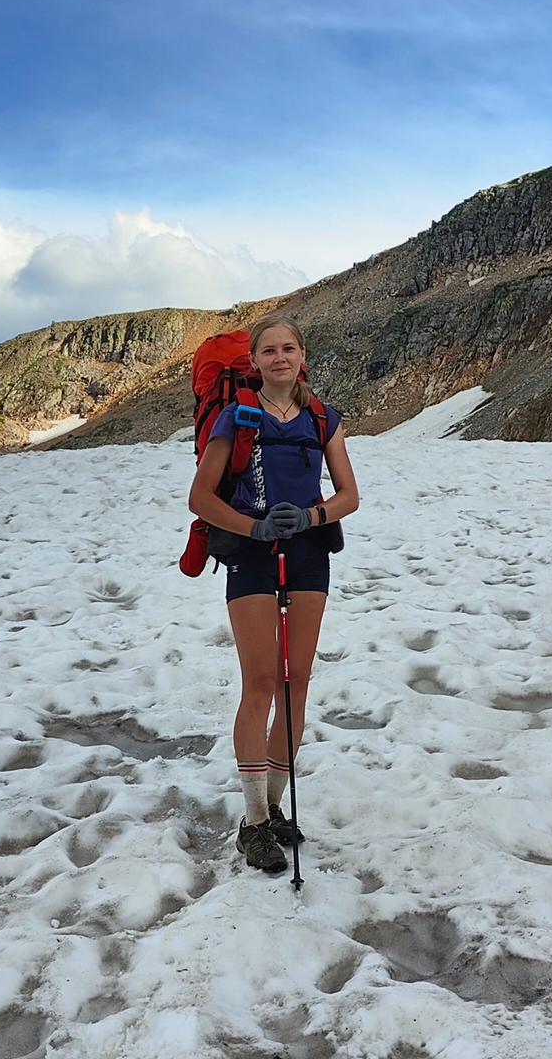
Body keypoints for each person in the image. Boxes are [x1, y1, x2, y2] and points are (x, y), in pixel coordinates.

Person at [188, 315, 360, 874]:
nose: (280, 357)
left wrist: (313, 514)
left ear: (301, 355)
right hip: (252, 555)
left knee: (297, 682)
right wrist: (252, 526)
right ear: (255, 361)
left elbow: (349, 495)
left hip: (308, 554)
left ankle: (273, 809)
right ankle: (254, 821)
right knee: (261, 681)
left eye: (289, 348)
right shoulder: (236, 417)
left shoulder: (321, 418)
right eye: (269, 350)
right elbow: (201, 498)